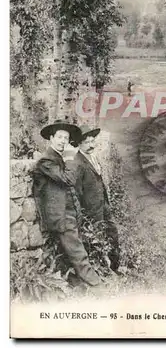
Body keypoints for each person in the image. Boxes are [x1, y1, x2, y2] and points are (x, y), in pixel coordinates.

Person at [32, 120, 101, 287]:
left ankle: (75, 281)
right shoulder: (46, 161)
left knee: (70, 250)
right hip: (59, 215)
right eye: (60, 137)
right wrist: (71, 156)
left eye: (66, 137)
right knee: (77, 251)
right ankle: (97, 284)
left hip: (68, 212)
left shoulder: (59, 158)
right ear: (51, 138)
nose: (63, 141)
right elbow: (67, 179)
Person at [67, 125, 121, 274]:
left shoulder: (93, 158)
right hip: (91, 211)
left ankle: (115, 267)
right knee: (95, 239)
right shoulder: (77, 163)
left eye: (92, 141)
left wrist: (105, 202)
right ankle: (100, 270)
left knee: (112, 233)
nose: (92, 145)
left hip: (103, 205)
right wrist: (82, 214)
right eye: (87, 142)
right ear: (79, 143)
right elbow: (76, 192)